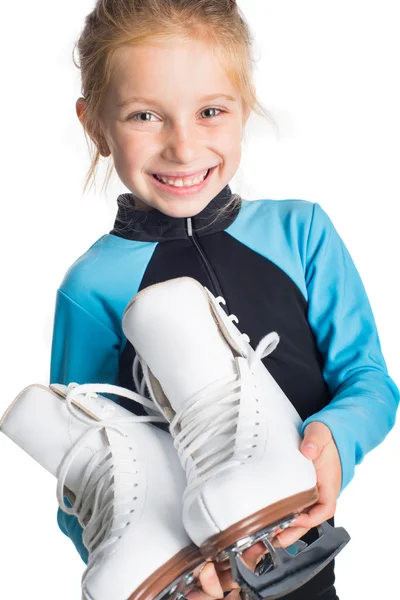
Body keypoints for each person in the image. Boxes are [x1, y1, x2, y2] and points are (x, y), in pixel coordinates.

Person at [49, 1, 399, 599]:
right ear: (95, 126)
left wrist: (334, 441)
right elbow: (85, 473)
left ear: (244, 107)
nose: (183, 148)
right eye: (144, 116)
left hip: (308, 566)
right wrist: (162, 575)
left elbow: (368, 381)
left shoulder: (301, 234)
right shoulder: (92, 287)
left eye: (210, 111)